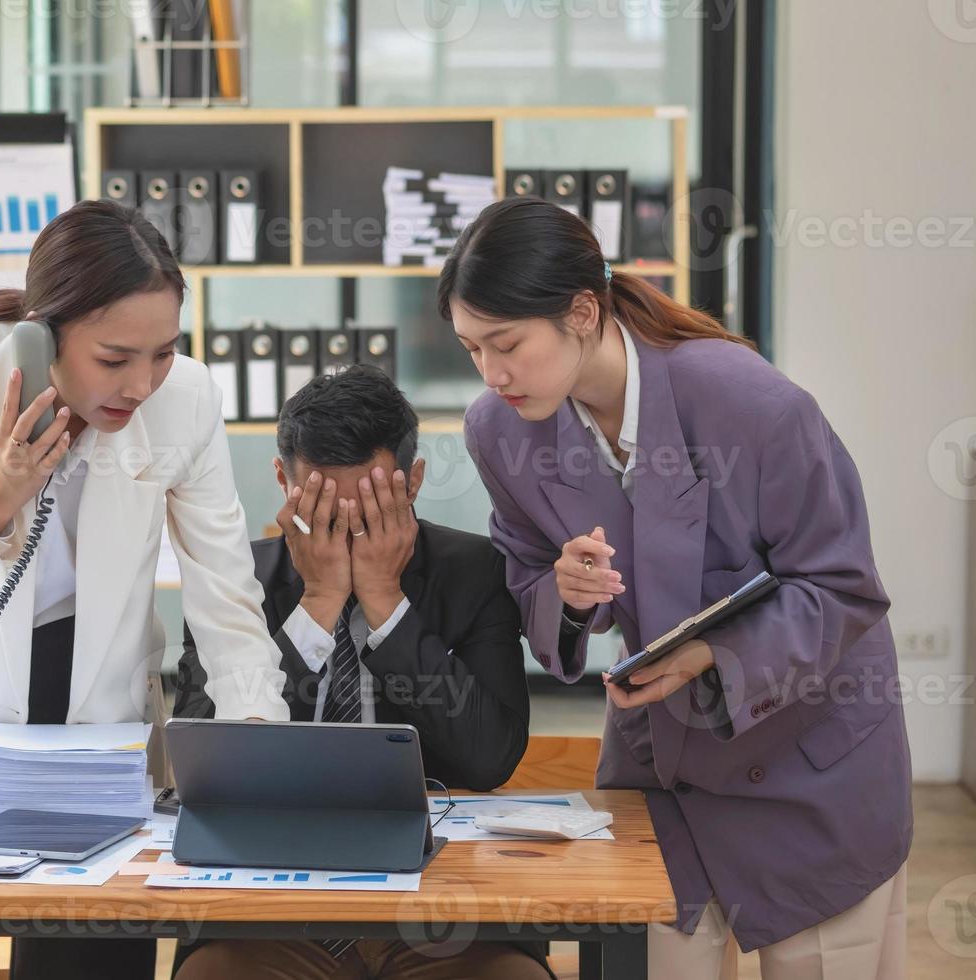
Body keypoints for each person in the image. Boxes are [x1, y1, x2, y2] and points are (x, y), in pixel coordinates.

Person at [445, 196, 911, 979]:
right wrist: (570, 593)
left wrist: (712, 656)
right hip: (665, 765)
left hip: (811, 759)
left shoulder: (749, 402)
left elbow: (842, 589)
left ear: (583, 312)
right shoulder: (499, 429)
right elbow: (525, 573)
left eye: (507, 345)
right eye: (469, 350)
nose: (492, 375)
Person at [0, 199, 289, 980]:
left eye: (163, 352)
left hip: (90, 734)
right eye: (115, 359)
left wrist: (262, 756)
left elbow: (226, 597)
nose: (143, 382)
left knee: (84, 961)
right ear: (42, 336)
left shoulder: (185, 399)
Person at [172, 366, 552, 980]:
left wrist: (385, 603)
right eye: (321, 507)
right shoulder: (234, 580)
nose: (346, 529)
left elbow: (490, 759)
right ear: (282, 480)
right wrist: (317, 604)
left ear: (414, 483)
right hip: (271, 911)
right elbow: (205, 762)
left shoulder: (475, 571)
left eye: (371, 506)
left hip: (442, 904)